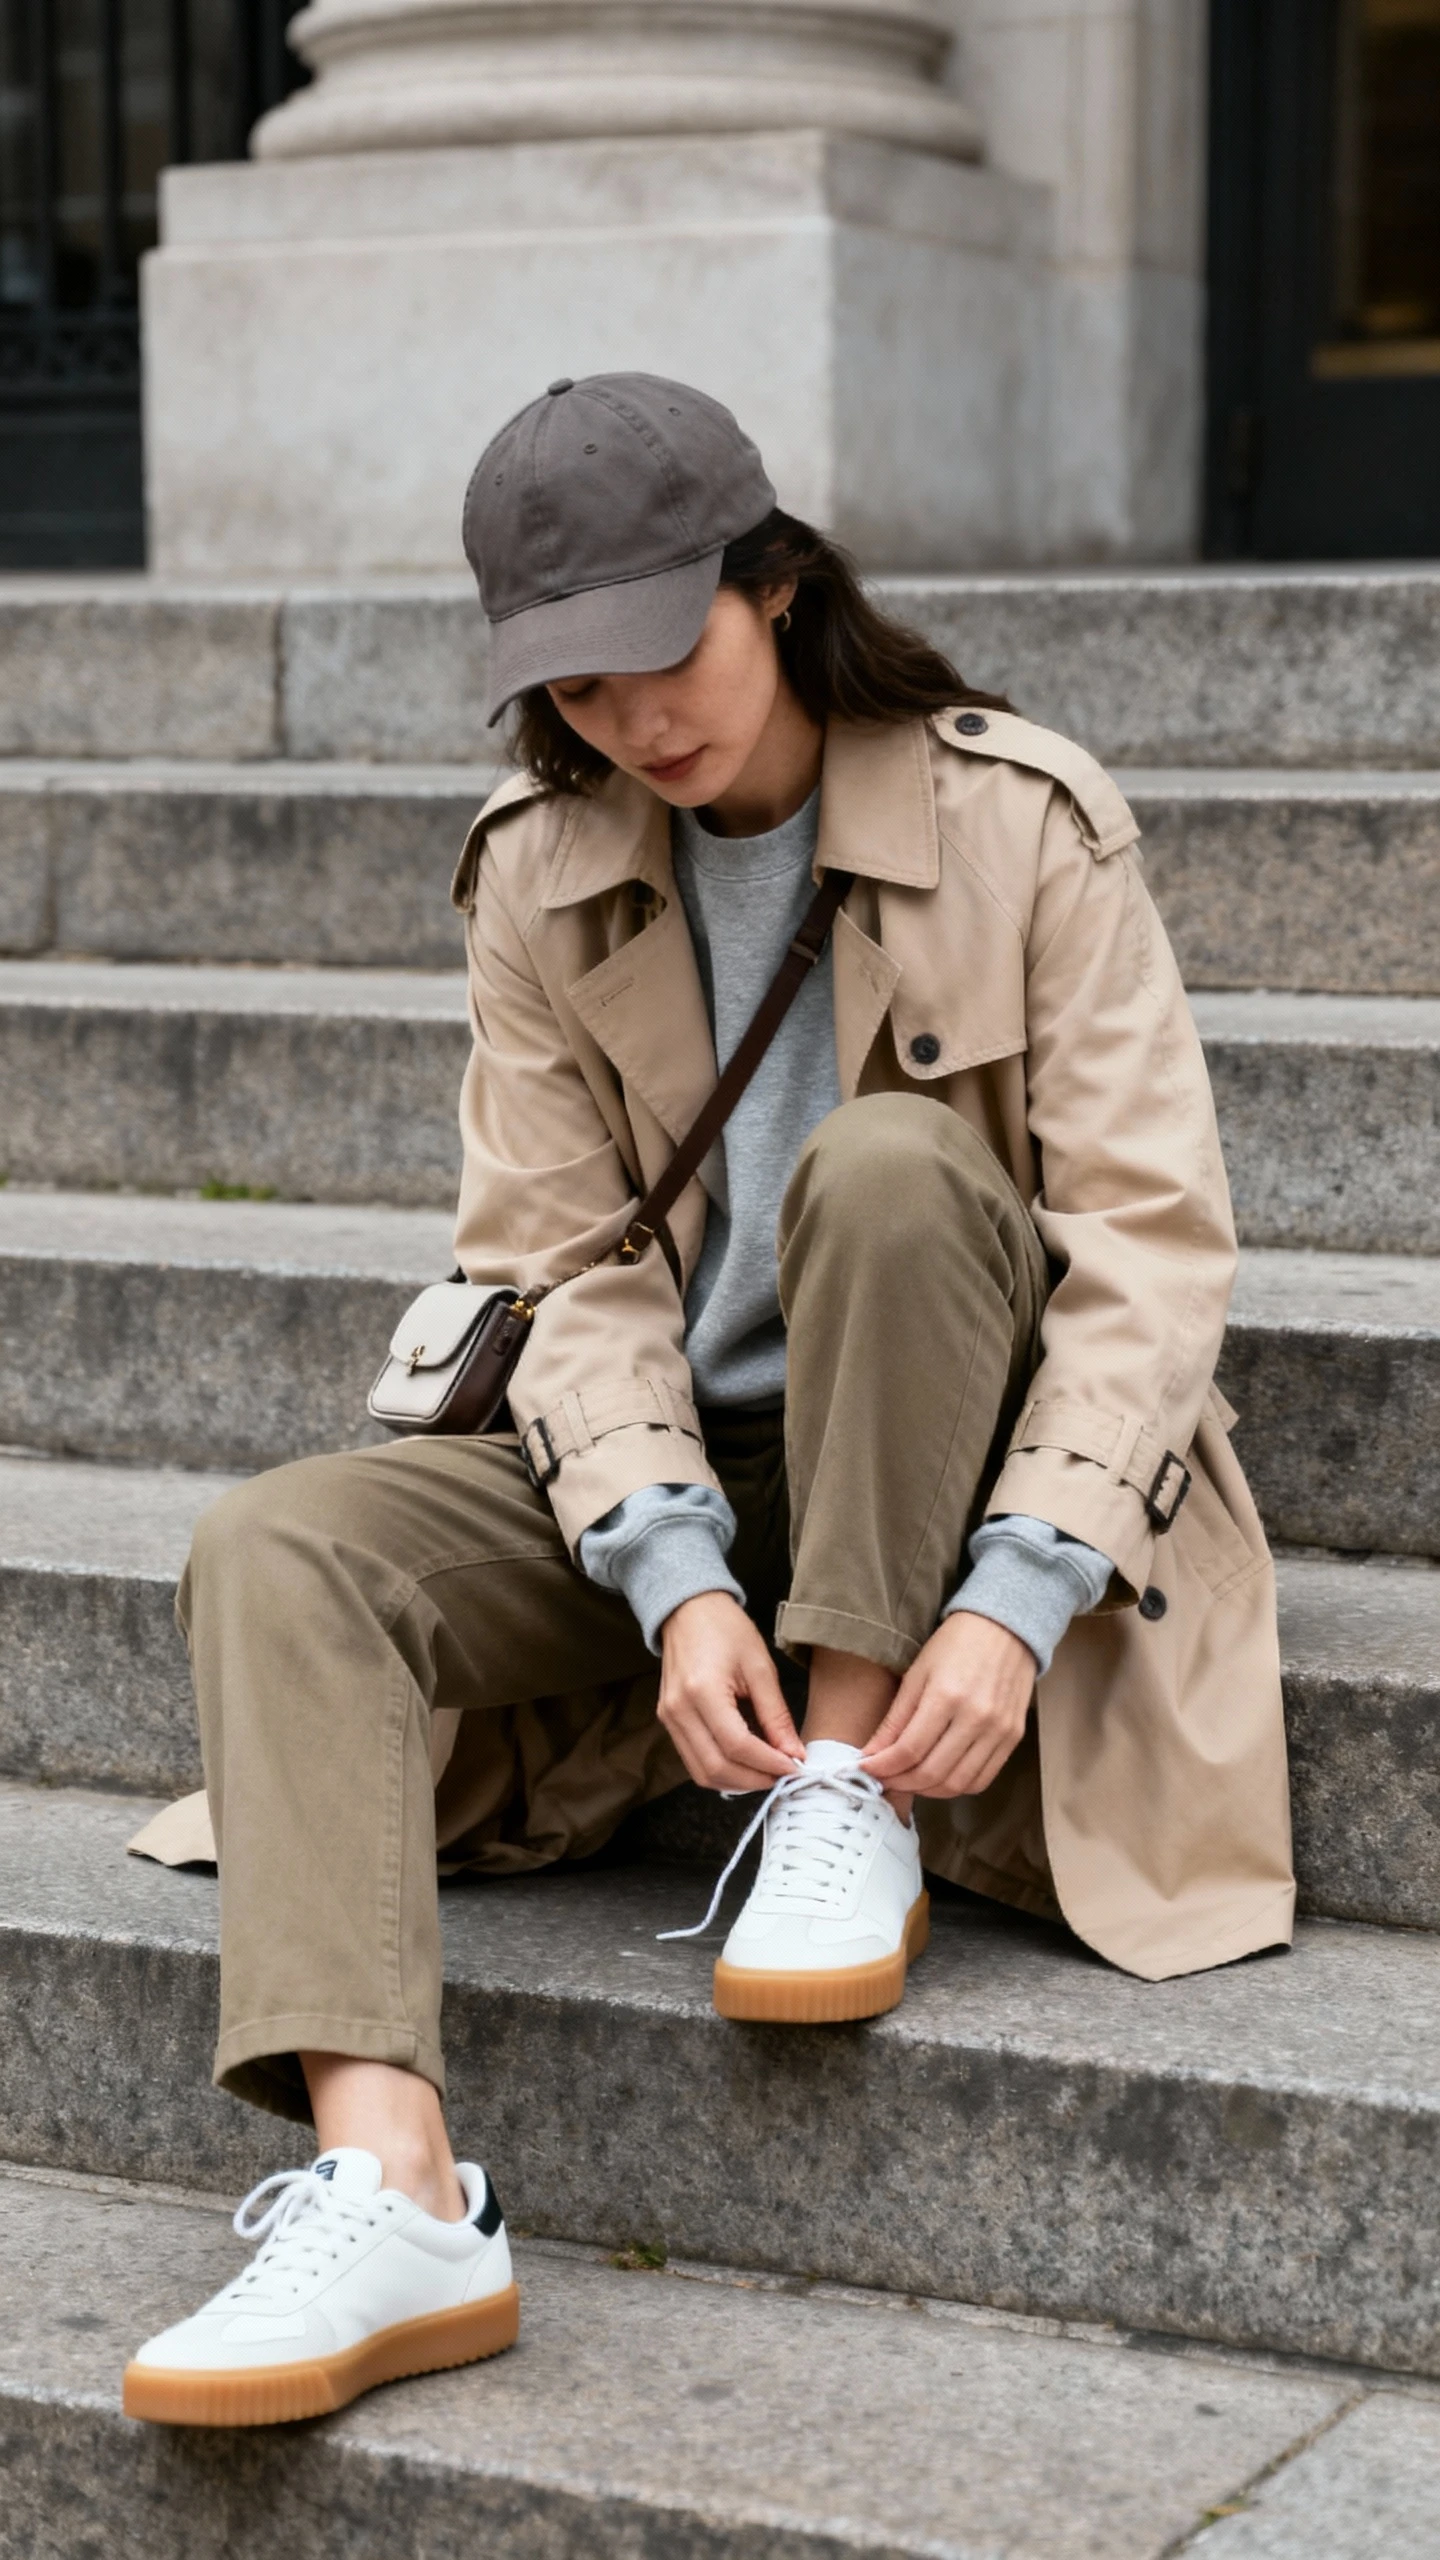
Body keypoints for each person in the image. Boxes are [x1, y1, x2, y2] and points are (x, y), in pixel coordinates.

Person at [123, 372, 1294, 2429]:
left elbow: (1151, 1249)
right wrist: (670, 1577)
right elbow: (558, 1263)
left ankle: (845, 1782)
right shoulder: (538, 868)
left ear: (778, 582)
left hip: (953, 1456)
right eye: (575, 687)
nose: (633, 718)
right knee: (279, 1544)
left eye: (665, 650)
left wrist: (1018, 1594)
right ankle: (397, 2188)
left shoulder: (1022, 818)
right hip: (670, 1462)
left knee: (892, 1165)